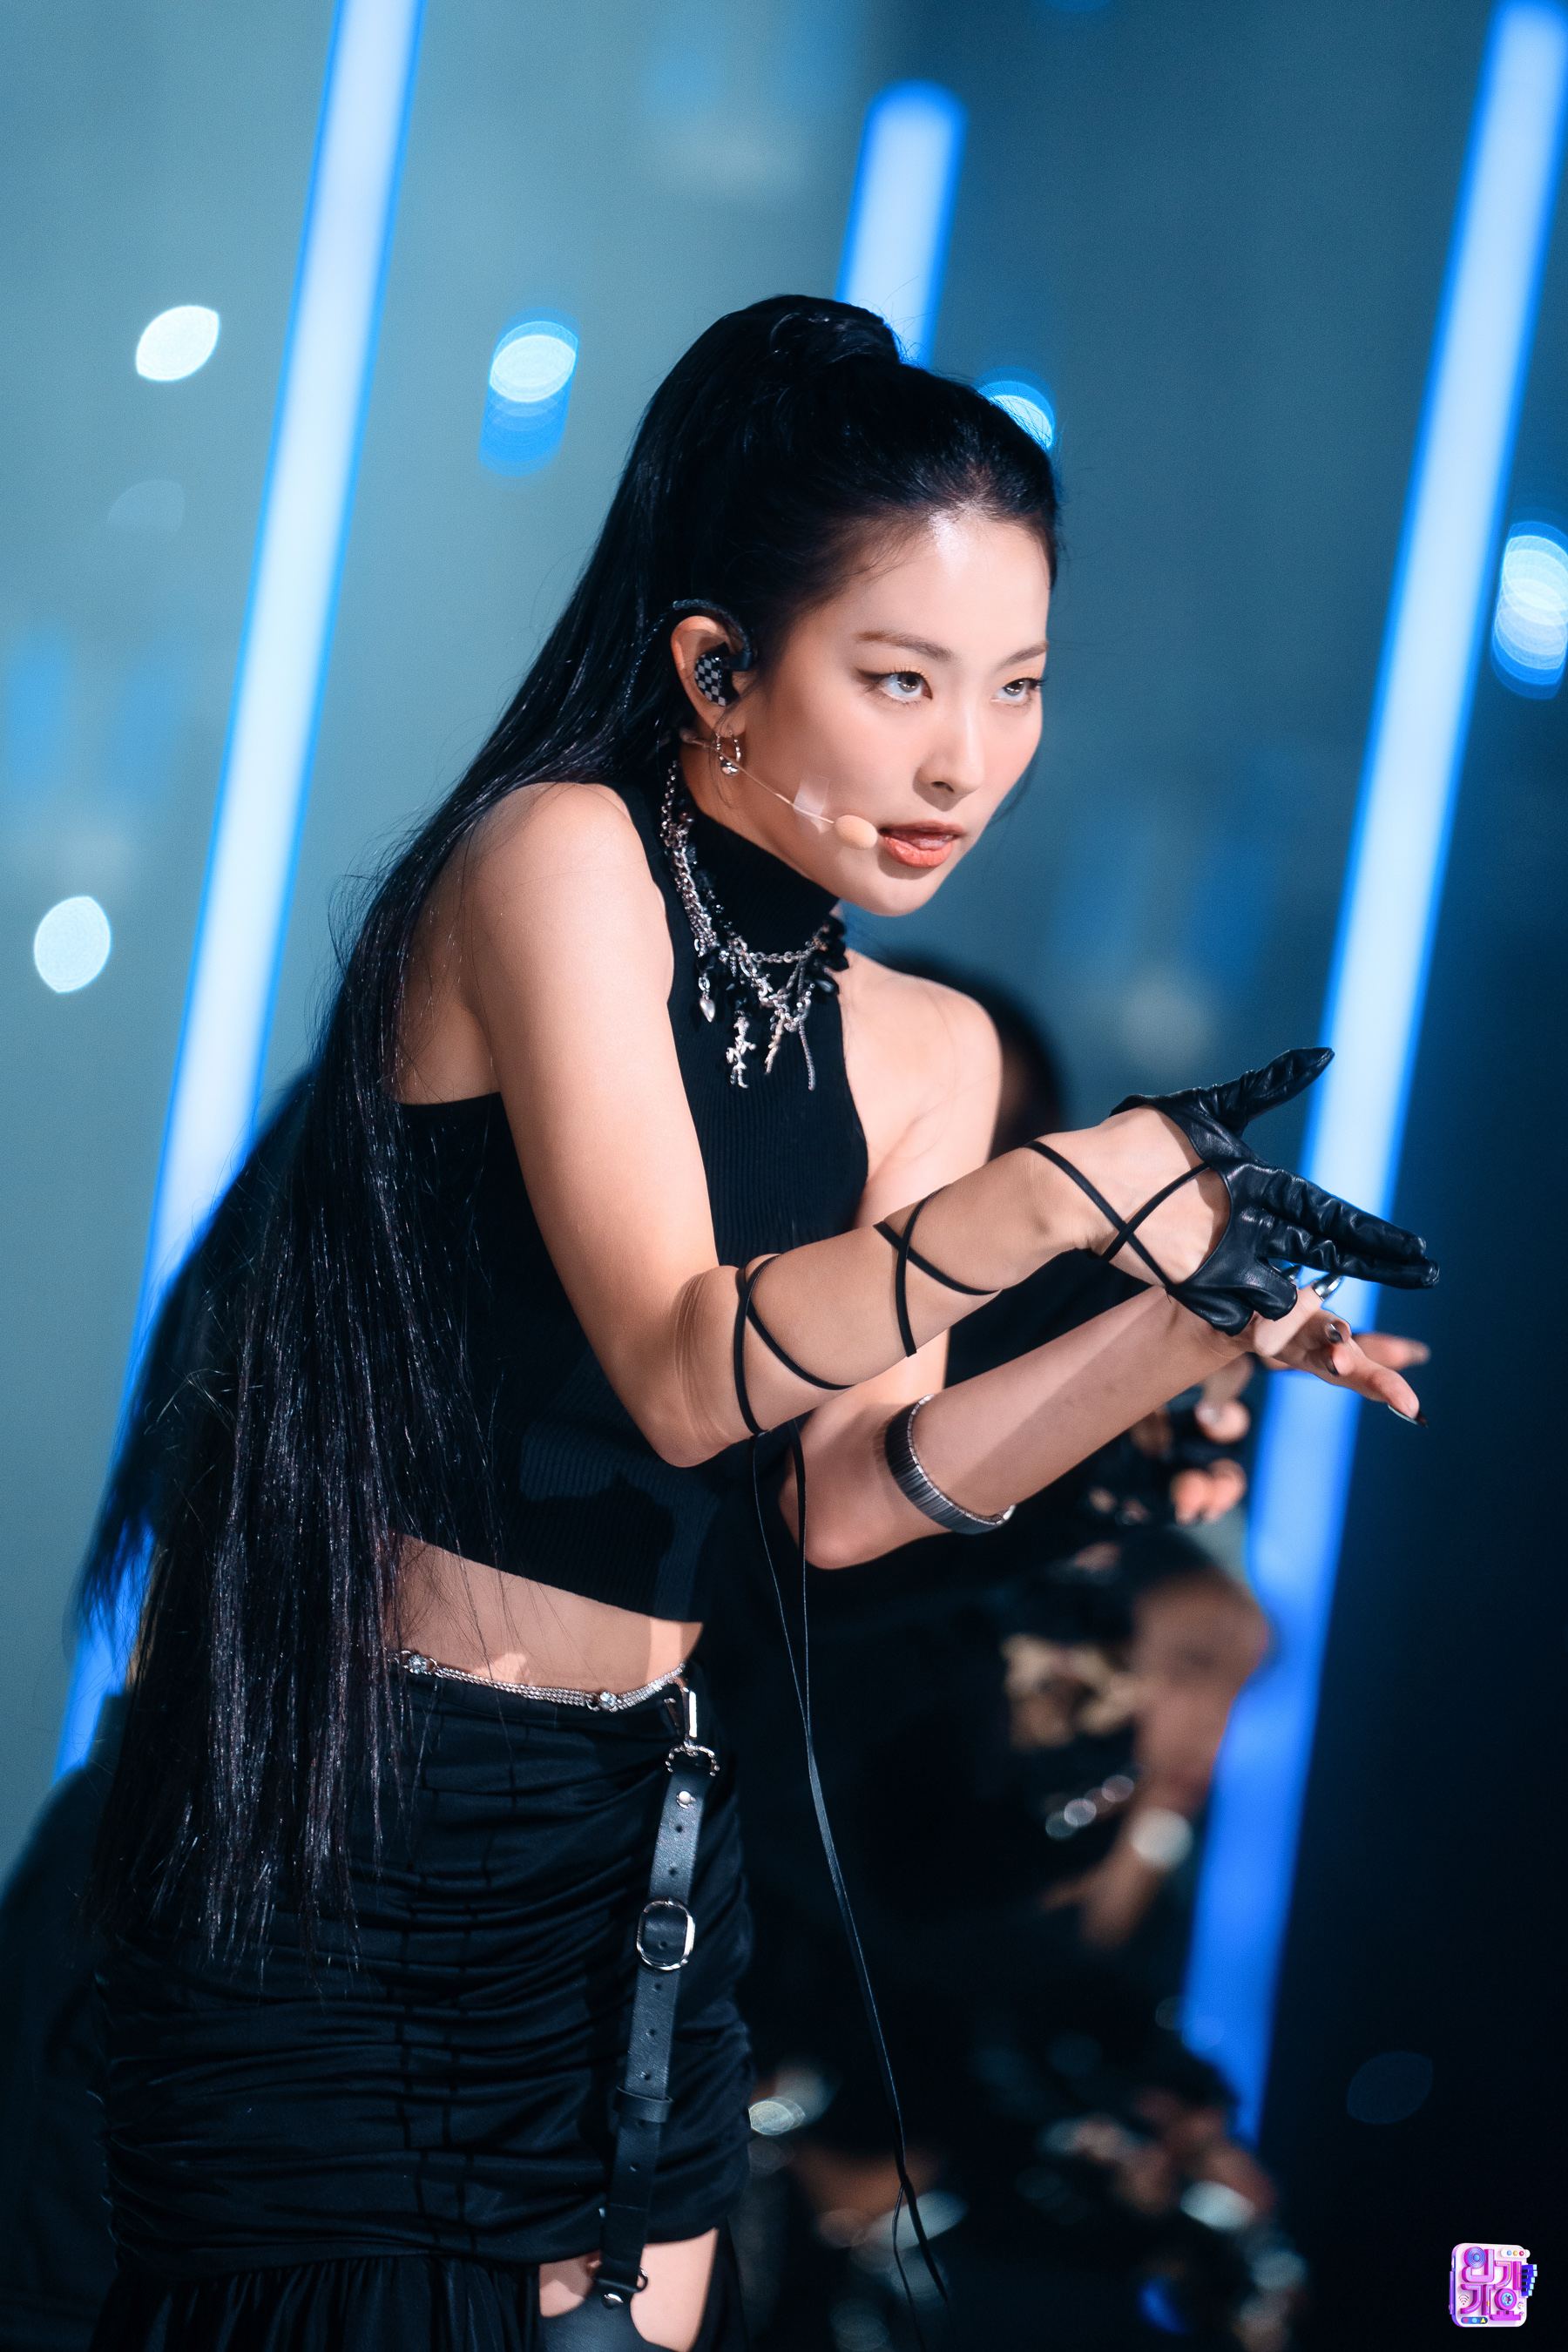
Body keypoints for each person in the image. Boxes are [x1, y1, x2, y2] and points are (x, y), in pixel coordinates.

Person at [79, 295, 1434, 2352]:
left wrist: (1183, 1328)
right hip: (367, 1821)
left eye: (1018, 688)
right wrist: (1068, 1194)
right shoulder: (557, 864)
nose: (965, 759)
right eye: (900, 680)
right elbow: (682, 1364)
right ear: (720, 668)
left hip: (641, 1845)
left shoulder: (933, 1048)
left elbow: (845, 1497)